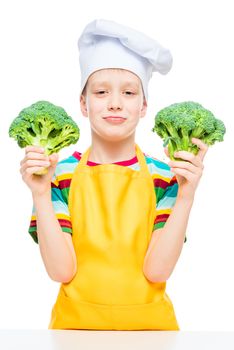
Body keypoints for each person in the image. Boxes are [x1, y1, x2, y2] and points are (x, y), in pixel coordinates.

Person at [20, 19, 208, 330]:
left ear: (144, 105)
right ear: (83, 103)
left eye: (130, 93)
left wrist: (187, 195)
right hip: (75, 331)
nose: (115, 104)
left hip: (151, 333)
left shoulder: (166, 176)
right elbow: (61, 271)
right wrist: (40, 193)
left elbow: (157, 272)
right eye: (101, 92)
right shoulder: (57, 174)